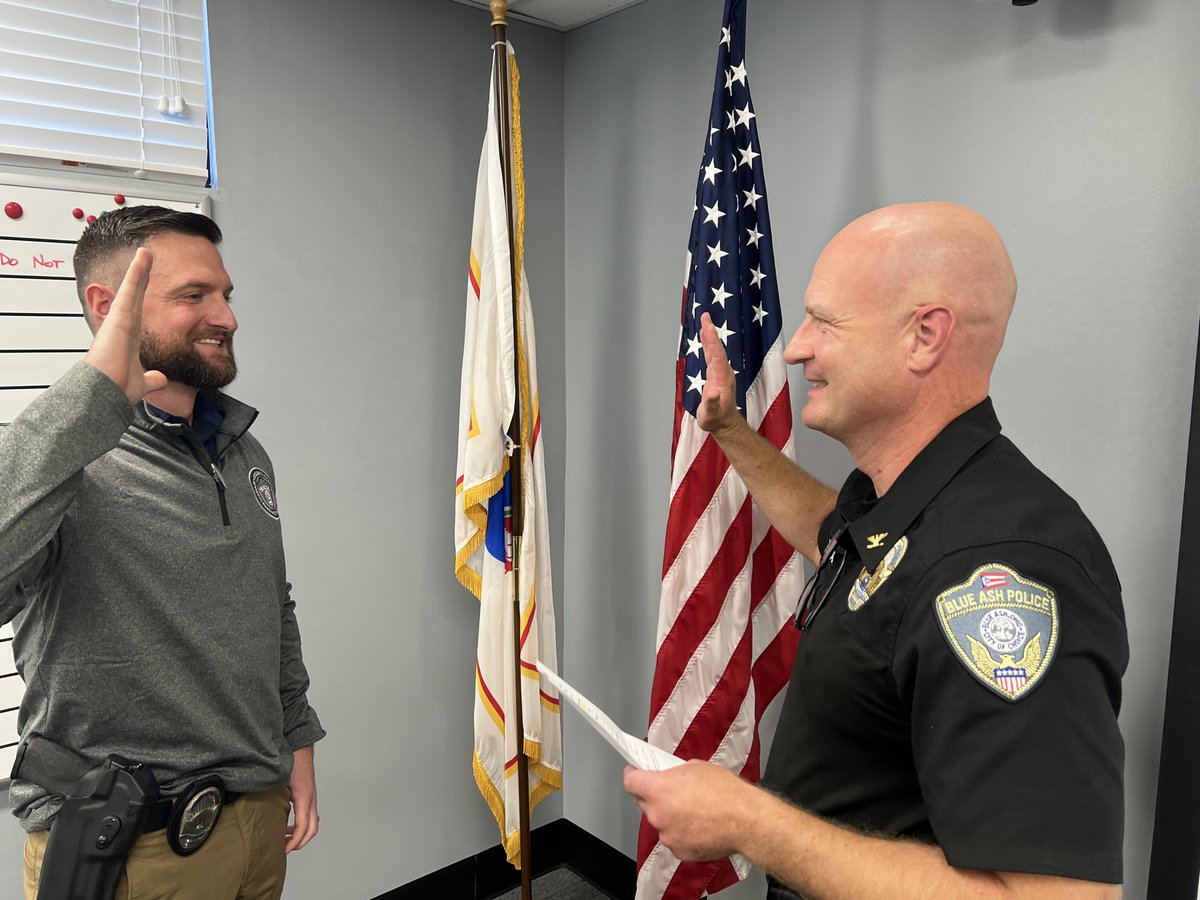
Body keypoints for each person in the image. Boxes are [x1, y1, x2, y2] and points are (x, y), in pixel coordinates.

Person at [625, 202, 1127, 900]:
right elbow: (840, 540)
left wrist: (750, 822)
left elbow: (1056, 897)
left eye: (824, 322)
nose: (797, 348)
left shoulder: (1001, 569)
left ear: (925, 336)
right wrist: (732, 432)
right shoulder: (905, 500)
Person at [0, 206, 325, 899]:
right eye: (193, 296)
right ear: (106, 305)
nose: (227, 317)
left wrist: (297, 742)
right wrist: (87, 402)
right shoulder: (61, 461)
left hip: (256, 815)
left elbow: (272, 605)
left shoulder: (244, 451)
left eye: (226, 295)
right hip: (127, 847)